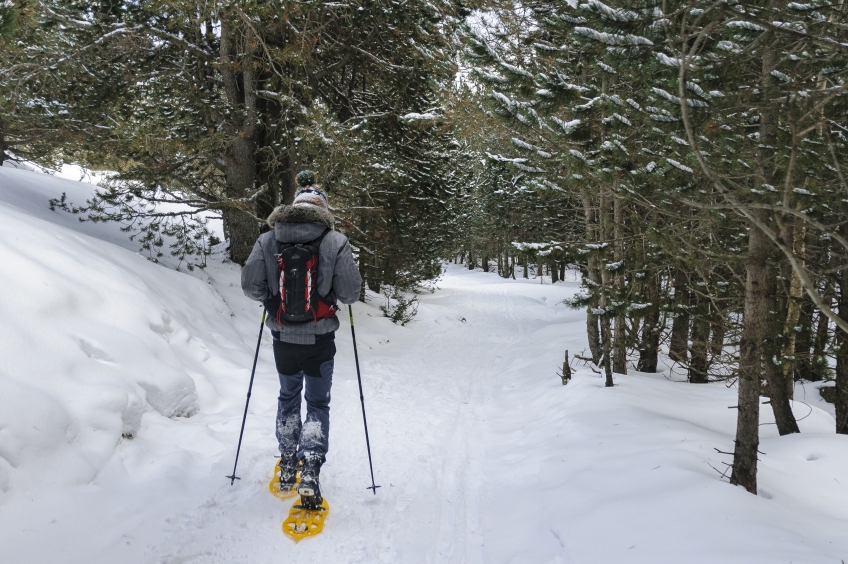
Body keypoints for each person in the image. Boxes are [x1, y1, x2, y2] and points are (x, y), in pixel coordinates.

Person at [240, 170, 361, 509]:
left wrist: (272, 302)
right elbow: (351, 294)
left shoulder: (267, 240)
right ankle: (311, 466)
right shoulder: (335, 241)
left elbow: (250, 286)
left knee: (288, 396)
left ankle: (288, 460)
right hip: (320, 340)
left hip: (283, 339)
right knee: (318, 403)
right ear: (323, 209)